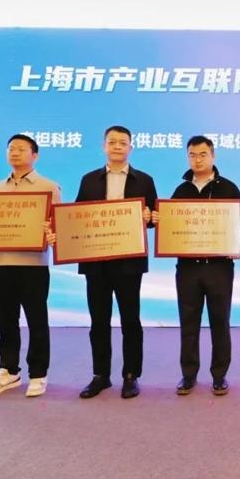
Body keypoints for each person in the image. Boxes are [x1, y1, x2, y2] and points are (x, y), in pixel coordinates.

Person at [152, 135, 240, 396]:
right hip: (188, 269)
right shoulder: (181, 191)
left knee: (220, 322)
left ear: (213, 156)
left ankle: (219, 375)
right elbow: (171, 228)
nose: (197, 160)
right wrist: (160, 220)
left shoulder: (229, 188)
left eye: (203, 154)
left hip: (219, 268)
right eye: (192, 155)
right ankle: (188, 375)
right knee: (188, 322)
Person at [0, 134, 61, 398]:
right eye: (11, 148)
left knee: (37, 321)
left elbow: (58, 225)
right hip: (0, 264)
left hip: (33, 266)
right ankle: (8, 371)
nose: (14, 152)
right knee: (5, 321)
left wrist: (52, 232)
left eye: (21, 149)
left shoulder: (49, 187)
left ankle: (38, 374)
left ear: (35, 155)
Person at [75, 126, 157, 400]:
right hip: (96, 261)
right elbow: (76, 216)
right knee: (98, 320)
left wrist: (149, 217)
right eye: (112, 142)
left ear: (131, 147)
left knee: (130, 320)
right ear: (104, 146)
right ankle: (101, 375)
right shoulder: (89, 180)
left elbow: (155, 218)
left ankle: (131, 375)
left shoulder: (144, 180)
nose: (118, 146)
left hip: (129, 263)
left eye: (123, 142)